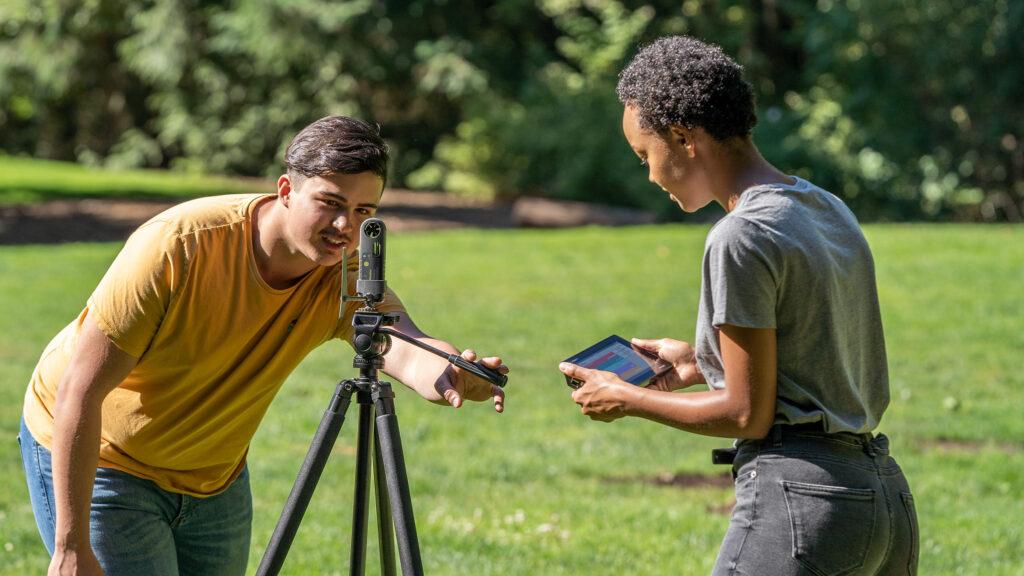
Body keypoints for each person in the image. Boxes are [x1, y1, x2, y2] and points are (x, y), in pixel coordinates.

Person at [19, 116, 508, 576]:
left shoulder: (343, 274)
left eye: (364, 212)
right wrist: (71, 546)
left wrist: (451, 374)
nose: (347, 228)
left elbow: (402, 343)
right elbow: (79, 392)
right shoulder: (180, 245)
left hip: (214, 477)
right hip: (108, 462)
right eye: (332, 203)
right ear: (286, 190)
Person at [559, 36, 918, 574]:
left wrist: (626, 397)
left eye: (645, 156)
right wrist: (698, 360)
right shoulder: (824, 207)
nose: (650, 176)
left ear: (682, 138)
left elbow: (746, 414)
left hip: (803, 500)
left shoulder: (739, 234)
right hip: (882, 497)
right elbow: (809, 353)